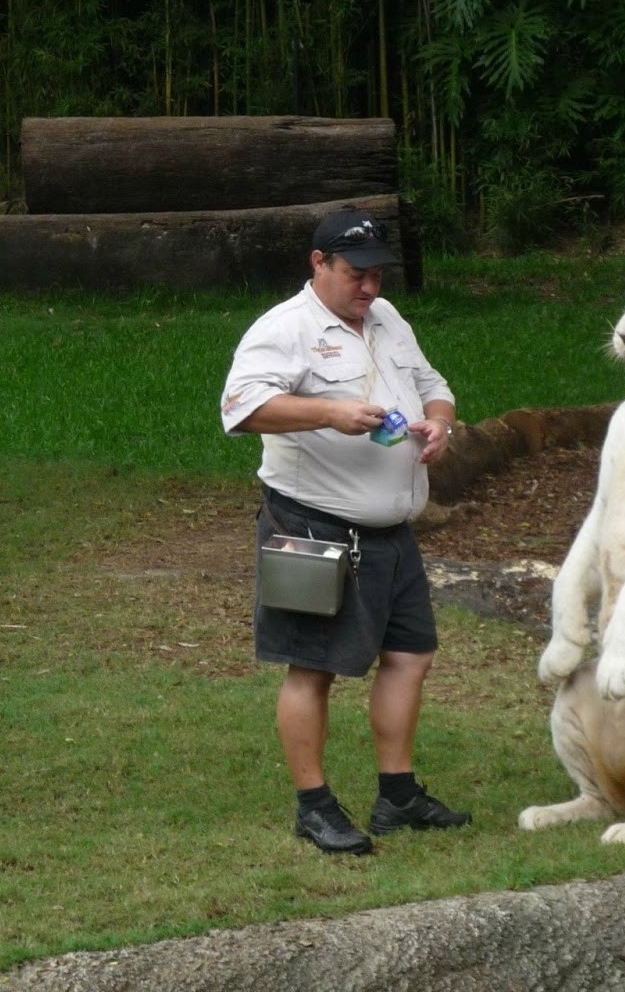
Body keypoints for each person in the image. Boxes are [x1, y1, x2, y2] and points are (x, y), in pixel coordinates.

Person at [219, 209, 469, 855]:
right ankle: (314, 806)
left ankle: (398, 795)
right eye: (357, 274)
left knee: (410, 656)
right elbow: (241, 407)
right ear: (319, 264)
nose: (369, 288)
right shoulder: (286, 329)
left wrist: (439, 421)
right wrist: (330, 411)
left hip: (393, 532)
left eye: (378, 274)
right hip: (314, 528)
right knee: (312, 669)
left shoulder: (386, 320)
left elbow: (431, 383)